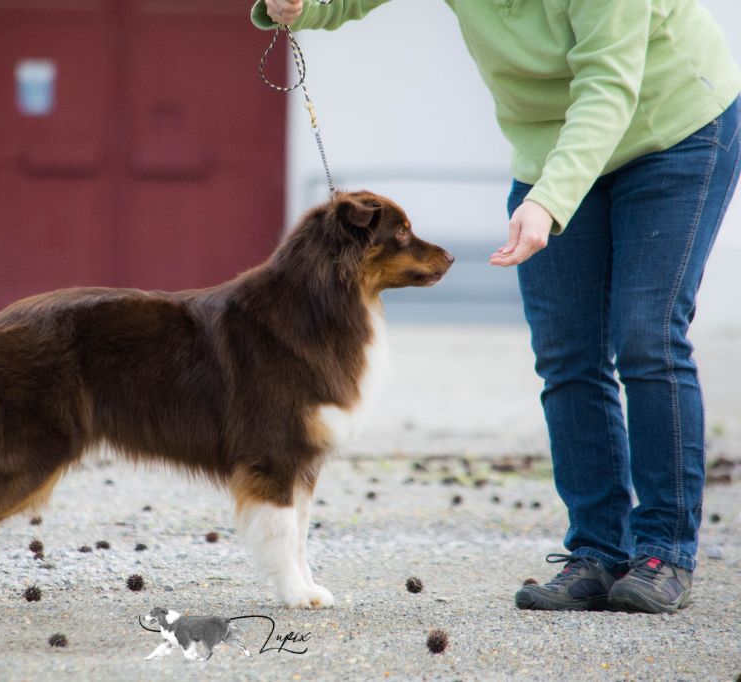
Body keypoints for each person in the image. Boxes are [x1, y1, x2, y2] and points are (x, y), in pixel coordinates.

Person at [253, 0, 741, 614]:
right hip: (551, 146)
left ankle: (664, 551)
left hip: (672, 128)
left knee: (646, 336)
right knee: (567, 352)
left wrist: (549, 199)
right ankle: (596, 551)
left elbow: (609, 85)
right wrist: (306, 6)